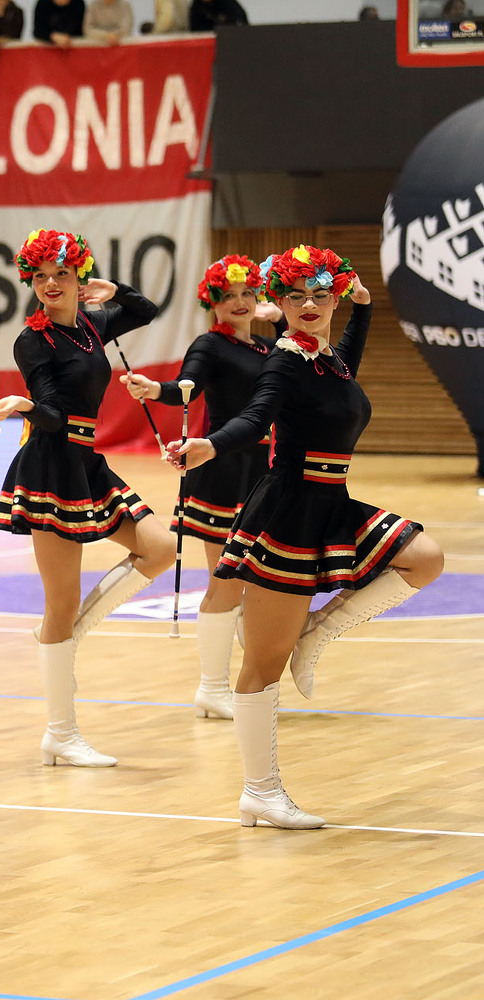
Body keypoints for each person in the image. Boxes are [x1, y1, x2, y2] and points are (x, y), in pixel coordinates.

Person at [171, 246, 443, 830]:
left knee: (425, 558)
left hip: (333, 502)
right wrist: (209, 445)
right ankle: (260, 793)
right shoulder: (286, 360)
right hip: (289, 511)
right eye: (296, 296)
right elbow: (256, 417)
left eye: (320, 294)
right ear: (282, 302)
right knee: (264, 663)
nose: (309, 305)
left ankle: (319, 630)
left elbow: (350, 355)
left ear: (334, 297)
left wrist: (363, 305)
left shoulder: (329, 360)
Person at [0, 229, 174, 767]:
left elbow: (147, 310)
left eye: (61, 274)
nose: (50, 284)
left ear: (77, 277)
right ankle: (60, 734)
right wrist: (25, 406)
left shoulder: (94, 323)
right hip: (50, 466)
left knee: (160, 548)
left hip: (87, 462)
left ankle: (65, 634)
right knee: (60, 602)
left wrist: (115, 291)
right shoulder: (32, 342)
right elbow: (55, 416)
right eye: (40, 277)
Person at [122, 255, 281, 720]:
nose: (239, 302)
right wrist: (155, 389)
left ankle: (250, 685)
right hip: (221, 469)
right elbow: (185, 385)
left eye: (247, 293)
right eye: (228, 296)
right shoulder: (209, 344)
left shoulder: (267, 347)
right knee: (226, 583)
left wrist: (279, 320)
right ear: (213, 303)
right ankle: (212, 688)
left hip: (262, 470)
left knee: (255, 581)